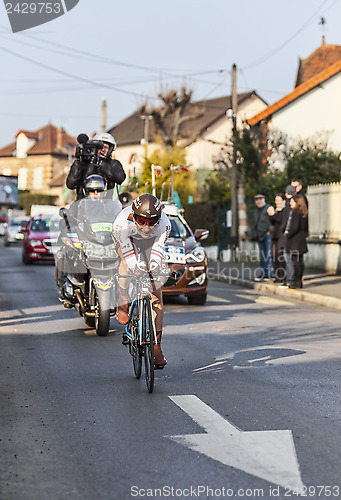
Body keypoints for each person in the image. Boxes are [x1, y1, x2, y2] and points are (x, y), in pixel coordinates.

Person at [113, 194, 171, 368]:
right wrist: (135, 266)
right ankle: (123, 298)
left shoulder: (165, 224)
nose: (146, 227)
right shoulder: (122, 222)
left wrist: (152, 266)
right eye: (141, 221)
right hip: (127, 242)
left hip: (151, 245)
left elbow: (158, 252)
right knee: (125, 263)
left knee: (157, 293)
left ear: (159, 219)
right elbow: (128, 253)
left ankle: (156, 346)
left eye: (152, 222)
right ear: (133, 215)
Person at [66, 132, 126, 200]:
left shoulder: (113, 164)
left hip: (106, 206)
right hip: (82, 206)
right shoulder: (84, 163)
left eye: (106, 147)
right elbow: (70, 184)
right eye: (100, 147)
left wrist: (100, 163)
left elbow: (120, 178)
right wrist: (78, 163)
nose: (103, 150)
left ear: (110, 149)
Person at [284, 194, 309, 289]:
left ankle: (295, 281)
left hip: (294, 241)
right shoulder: (304, 212)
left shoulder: (295, 212)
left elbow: (294, 227)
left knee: (295, 262)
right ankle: (299, 280)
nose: (290, 203)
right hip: (301, 240)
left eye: (292, 201)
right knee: (300, 261)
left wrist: (287, 234)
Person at [278, 185, 298, 288]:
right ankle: (292, 279)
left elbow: (286, 221)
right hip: (292, 236)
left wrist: (283, 230)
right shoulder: (297, 204)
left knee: (287, 258)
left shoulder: (288, 205)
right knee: (291, 259)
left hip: (288, 236)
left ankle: (290, 279)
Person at [253, 194, 274, 281]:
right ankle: (263, 274)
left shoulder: (268, 208)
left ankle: (271, 274)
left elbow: (273, 220)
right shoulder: (256, 211)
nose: (259, 201)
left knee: (269, 255)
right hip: (259, 235)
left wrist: (270, 230)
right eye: (257, 200)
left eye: (260, 199)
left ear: (264, 199)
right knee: (262, 256)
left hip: (267, 235)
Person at [267, 193, 286, 283]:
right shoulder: (277, 210)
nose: (276, 202)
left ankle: (283, 276)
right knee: (274, 256)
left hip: (281, 236)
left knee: (280, 257)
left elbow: (280, 220)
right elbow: (273, 222)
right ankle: (277, 276)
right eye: (276, 200)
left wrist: (273, 214)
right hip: (274, 236)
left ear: (283, 201)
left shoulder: (285, 210)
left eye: (278, 200)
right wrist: (271, 215)